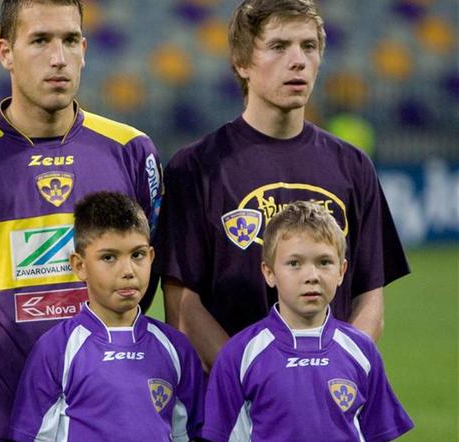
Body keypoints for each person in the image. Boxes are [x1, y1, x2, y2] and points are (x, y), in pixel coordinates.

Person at [0, 0, 163, 439]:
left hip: (105, 419)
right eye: (40, 40)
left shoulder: (132, 152)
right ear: (6, 52)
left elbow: (144, 274)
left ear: (84, 49)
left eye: (69, 40)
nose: (58, 57)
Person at [154, 0, 409, 371]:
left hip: (328, 394)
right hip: (235, 400)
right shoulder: (195, 168)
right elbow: (183, 308)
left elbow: (369, 298)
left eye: (309, 46)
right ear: (242, 63)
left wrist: (332, 372)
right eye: (278, 46)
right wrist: (254, 381)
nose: (298, 60)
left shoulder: (353, 166)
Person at [201, 201, 413, 441]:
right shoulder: (240, 354)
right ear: (269, 272)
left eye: (324, 262)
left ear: (342, 271)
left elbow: (378, 433)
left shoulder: (362, 350)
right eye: (294, 263)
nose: (311, 276)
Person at [9, 192, 203, 442]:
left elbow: (185, 434)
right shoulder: (56, 349)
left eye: (137, 255)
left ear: (151, 257)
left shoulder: (176, 348)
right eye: (108, 257)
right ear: (79, 266)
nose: (128, 271)